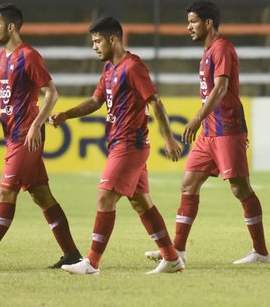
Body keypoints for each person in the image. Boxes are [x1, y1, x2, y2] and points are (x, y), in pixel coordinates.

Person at [49, 16, 184, 275]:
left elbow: (154, 101)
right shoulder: (109, 69)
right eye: (93, 42)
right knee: (141, 202)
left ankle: (91, 263)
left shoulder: (133, 67)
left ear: (113, 39)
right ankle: (172, 258)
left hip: (129, 144)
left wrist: (168, 138)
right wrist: (67, 114)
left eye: (97, 41)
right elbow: (95, 101)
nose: (94, 47)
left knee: (105, 197)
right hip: (119, 143)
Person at [0, 3, 81, 271]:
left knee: (6, 191)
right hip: (13, 136)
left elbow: (52, 93)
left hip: (26, 135)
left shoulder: (29, 56)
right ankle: (72, 255)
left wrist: (36, 125)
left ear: (11, 26)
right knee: (41, 195)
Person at [144, 0, 270, 266]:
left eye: (193, 22)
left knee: (240, 188)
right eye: (188, 22)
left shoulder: (222, 48)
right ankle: (177, 250)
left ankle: (260, 251)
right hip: (209, 133)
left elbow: (222, 88)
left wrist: (197, 118)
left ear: (208, 22)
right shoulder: (208, 52)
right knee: (189, 183)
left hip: (227, 129)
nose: (188, 27)